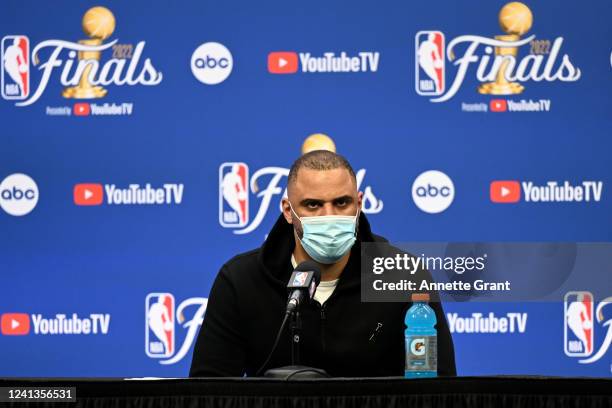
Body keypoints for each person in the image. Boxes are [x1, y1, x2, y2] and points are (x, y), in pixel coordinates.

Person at [190, 150, 456, 377]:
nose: (329, 217)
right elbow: (209, 391)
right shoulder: (240, 281)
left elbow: (436, 387)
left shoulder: (403, 277)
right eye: (313, 205)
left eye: (341, 203)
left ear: (359, 204)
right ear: (287, 210)